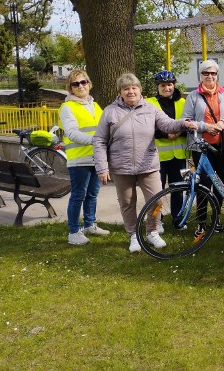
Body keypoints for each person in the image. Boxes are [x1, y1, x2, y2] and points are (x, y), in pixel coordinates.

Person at [93, 73, 193, 252]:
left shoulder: (151, 108)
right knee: (127, 203)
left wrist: (184, 123)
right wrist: (102, 167)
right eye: (126, 88)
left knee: (157, 201)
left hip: (148, 165)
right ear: (120, 92)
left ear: (140, 89)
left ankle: (152, 231)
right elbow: (99, 140)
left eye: (134, 88)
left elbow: (167, 124)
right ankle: (133, 235)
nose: (130, 91)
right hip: (121, 168)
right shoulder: (110, 111)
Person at [182, 59, 224, 236]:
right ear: (201, 75)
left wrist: (222, 122)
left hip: (222, 146)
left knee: (219, 183)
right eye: (206, 73)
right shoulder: (193, 96)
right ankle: (201, 220)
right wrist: (205, 127)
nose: (210, 76)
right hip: (201, 147)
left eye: (213, 73)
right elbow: (186, 120)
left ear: (217, 75)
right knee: (203, 184)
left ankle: (217, 217)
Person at [60, 69, 109, 245]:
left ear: (89, 84)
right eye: (76, 84)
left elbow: (105, 127)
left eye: (83, 82)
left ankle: (90, 224)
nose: (81, 86)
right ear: (70, 88)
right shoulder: (67, 107)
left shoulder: (95, 105)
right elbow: (72, 133)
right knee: (78, 195)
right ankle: (73, 232)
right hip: (79, 159)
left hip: (96, 158)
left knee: (92, 194)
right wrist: (96, 140)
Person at [146, 70, 189, 230]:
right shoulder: (150, 103)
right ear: (158, 87)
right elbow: (146, 127)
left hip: (178, 155)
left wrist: (178, 132)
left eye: (169, 84)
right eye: (163, 85)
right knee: (157, 191)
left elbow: (189, 123)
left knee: (178, 188)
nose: (167, 88)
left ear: (174, 85)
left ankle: (177, 219)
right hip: (157, 156)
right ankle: (158, 220)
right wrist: (165, 134)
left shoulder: (183, 103)